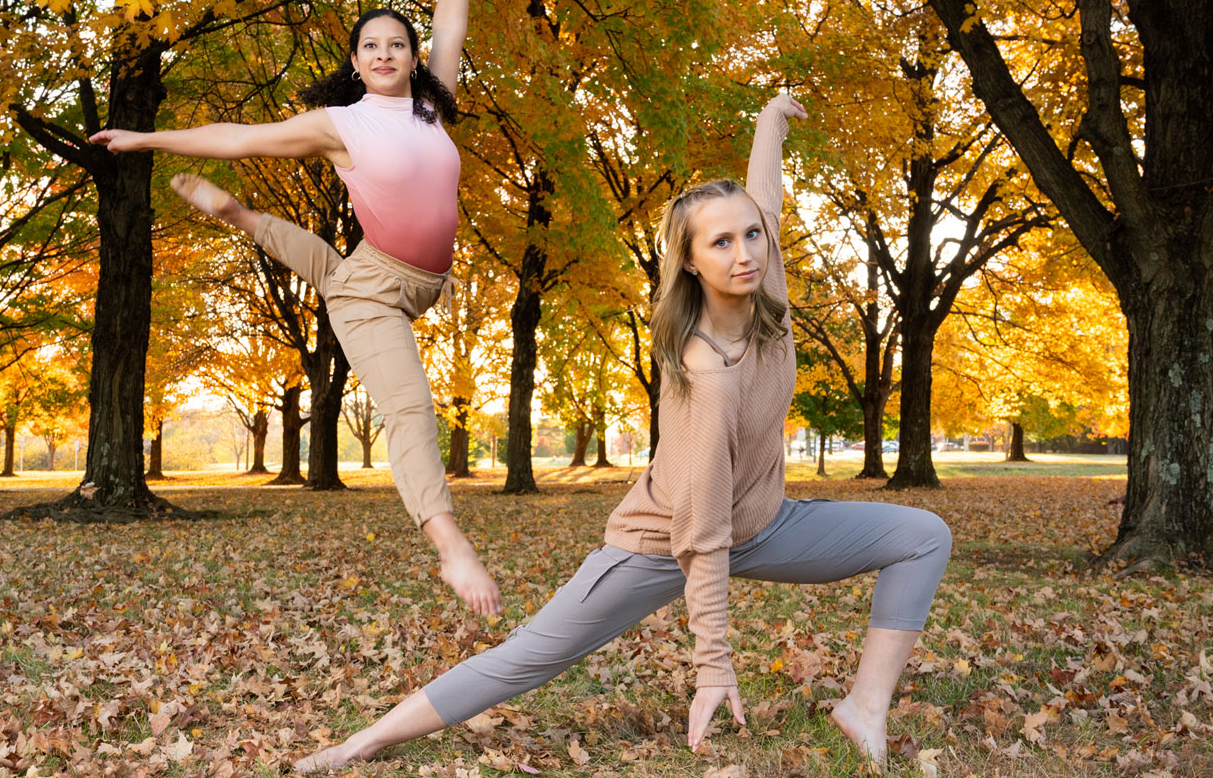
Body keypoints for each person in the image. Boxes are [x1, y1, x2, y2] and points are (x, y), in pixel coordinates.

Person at [290, 93, 952, 773]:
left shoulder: (768, 285)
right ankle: (358, 744)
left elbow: (764, 199)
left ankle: (864, 709)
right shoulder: (707, 373)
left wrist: (768, 123)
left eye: (751, 235)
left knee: (923, 538)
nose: (746, 252)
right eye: (721, 242)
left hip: (764, 525)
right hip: (665, 543)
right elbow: (700, 535)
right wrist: (713, 665)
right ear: (691, 262)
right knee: (528, 656)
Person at [88, 0, 502, 617]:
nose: (385, 53)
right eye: (371, 45)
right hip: (377, 293)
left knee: (334, 269)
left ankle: (242, 214)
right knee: (409, 406)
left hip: (410, 278)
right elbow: (236, 136)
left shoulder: (432, 107)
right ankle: (450, 547)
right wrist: (146, 139)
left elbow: (452, 23)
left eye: (396, 45)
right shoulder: (340, 125)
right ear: (355, 61)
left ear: (412, 58)